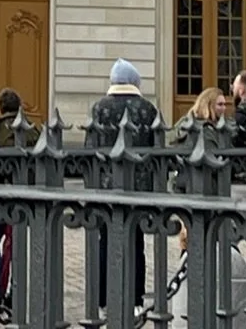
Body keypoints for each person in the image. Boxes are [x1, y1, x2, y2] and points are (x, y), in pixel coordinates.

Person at [86, 60, 161, 313]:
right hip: (138, 189)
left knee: (105, 242)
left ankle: (104, 300)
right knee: (136, 243)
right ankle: (136, 298)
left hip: (106, 188)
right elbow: (156, 150)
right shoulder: (148, 109)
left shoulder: (99, 108)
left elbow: (90, 149)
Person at [0, 88, 25, 306]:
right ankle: (14, 290)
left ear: (1, 107)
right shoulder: (34, 131)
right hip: (23, 199)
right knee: (17, 247)